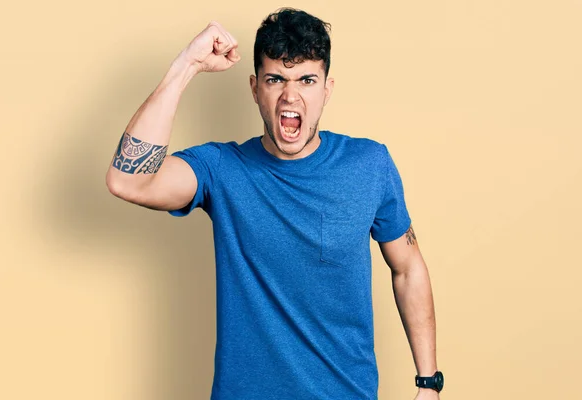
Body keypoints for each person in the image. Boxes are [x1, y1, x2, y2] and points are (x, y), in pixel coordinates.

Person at [106, 7, 442, 400]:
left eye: (307, 80)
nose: (290, 94)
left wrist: (428, 382)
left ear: (327, 90)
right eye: (275, 79)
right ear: (254, 88)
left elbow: (407, 266)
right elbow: (127, 180)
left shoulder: (369, 164)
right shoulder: (220, 169)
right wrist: (186, 66)